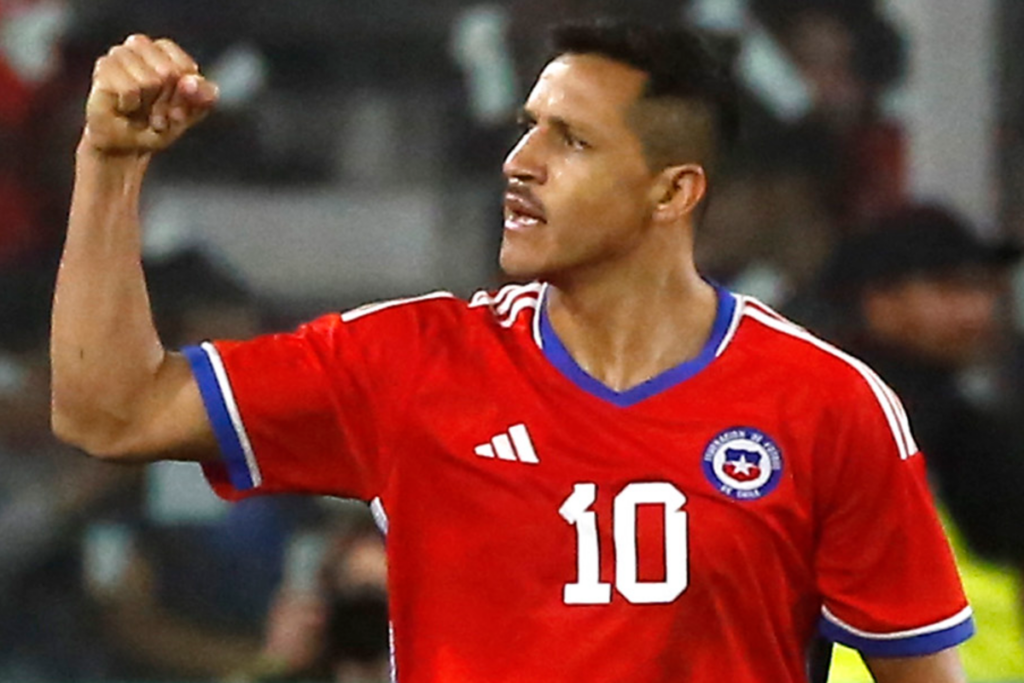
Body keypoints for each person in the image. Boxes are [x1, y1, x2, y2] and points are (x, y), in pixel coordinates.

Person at [52, 22, 972, 683]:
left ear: (671, 192)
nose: (519, 161)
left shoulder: (826, 404)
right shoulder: (410, 363)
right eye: (528, 126)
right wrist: (108, 166)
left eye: (568, 140)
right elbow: (110, 408)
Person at [812, 206, 1024, 679]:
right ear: (880, 300)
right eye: (951, 289)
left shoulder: (807, 403)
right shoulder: (954, 428)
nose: (976, 310)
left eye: (984, 288)